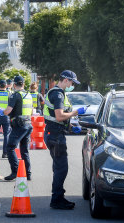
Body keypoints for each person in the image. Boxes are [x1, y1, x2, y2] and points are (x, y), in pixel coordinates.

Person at [43, 70, 88, 210]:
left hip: (55, 133)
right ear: (66, 80)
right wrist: (76, 112)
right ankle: (57, 200)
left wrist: (70, 127)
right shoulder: (57, 94)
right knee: (61, 169)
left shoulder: (58, 92)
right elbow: (59, 116)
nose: (72, 85)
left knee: (58, 167)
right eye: (72, 82)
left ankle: (58, 197)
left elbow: (57, 118)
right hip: (55, 136)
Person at [0, 76, 33, 181]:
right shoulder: (28, 95)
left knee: (10, 148)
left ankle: (15, 171)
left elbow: (8, 111)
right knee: (24, 150)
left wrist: (1, 111)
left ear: (14, 85)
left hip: (19, 124)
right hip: (28, 123)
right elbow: (31, 110)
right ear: (23, 84)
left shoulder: (15, 95)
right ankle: (28, 174)